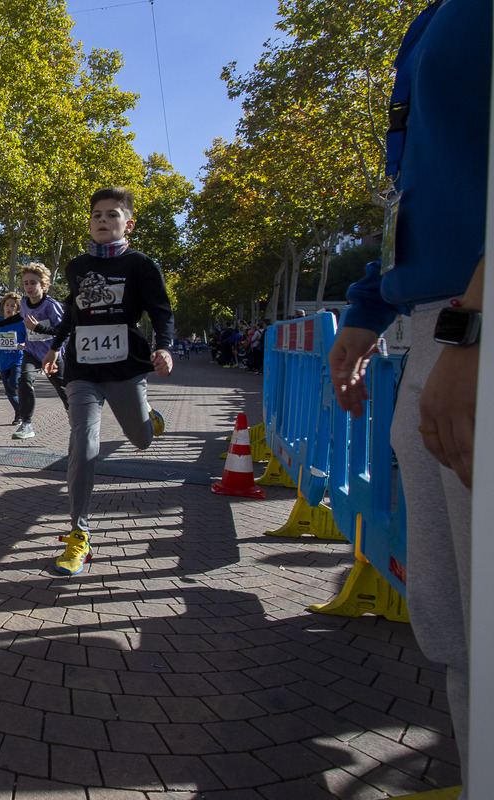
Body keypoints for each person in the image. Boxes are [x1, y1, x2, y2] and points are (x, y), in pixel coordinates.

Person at [329, 2, 487, 793]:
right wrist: (371, 304)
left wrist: (476, 317)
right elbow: (422, 188)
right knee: (453, 624)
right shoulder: (428, 23)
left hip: (468, 323)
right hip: (437, 326)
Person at [43, 186, 174, 576]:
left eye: (111, 215)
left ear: (127, 223)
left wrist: (165, 347)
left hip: (126, 367)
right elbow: (72, 313)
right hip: (83, 370)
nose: (103, 221)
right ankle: (79, 534)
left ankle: (148, 415)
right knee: (83, 441)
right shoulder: (76, 266)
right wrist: (55, 347)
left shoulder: (141, 265)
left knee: (141, 439)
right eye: (97, 215)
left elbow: (161, 310)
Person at [0, 263, 68, 439]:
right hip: (32, 352)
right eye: (26, 283)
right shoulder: (24, 303)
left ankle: (75, 416)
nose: (28, 287)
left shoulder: (51, 305)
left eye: (33, 283)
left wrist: (39, 328)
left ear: (43, 285)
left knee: (64, 390)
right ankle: (26, 423)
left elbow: (63, 330)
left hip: (52, 353)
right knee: (24, 380)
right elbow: (20, 317)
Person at [0, 292, 26, 424]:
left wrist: (23, 344)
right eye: (7, 305)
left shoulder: (21, 322)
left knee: (13, 384)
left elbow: (29, 339)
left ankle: (25, 401)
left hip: (17, 359)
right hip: (3, 360)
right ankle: (18, 414)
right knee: (9, 391)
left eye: (13, 306)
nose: (9, 308)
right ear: (3, 306)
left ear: (18, 308)